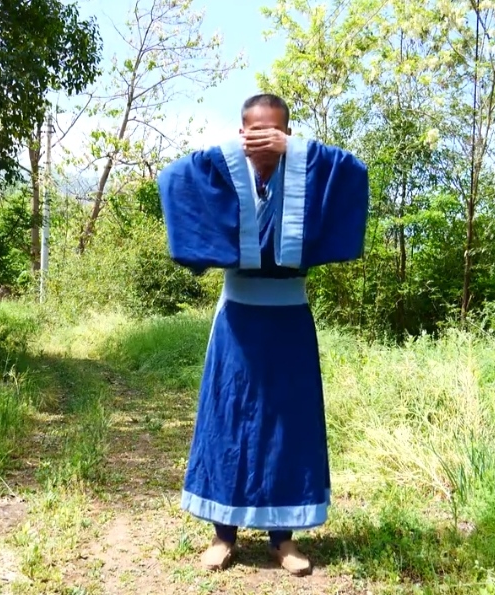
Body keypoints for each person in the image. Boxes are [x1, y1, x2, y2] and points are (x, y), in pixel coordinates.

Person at [157, 94, 369, 576]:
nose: (264, 140)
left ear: (286, 132)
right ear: (242, 132)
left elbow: (354, 174)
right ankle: (222, 535)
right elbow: (174, 178)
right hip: (237, 321)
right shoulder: (226, 177)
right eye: (255, 131)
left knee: (288, 427)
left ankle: (283, 539)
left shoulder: (307, 173)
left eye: (274, 131)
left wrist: (297, 150)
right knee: (228, 419)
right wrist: (231, 152)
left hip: (290, 320)